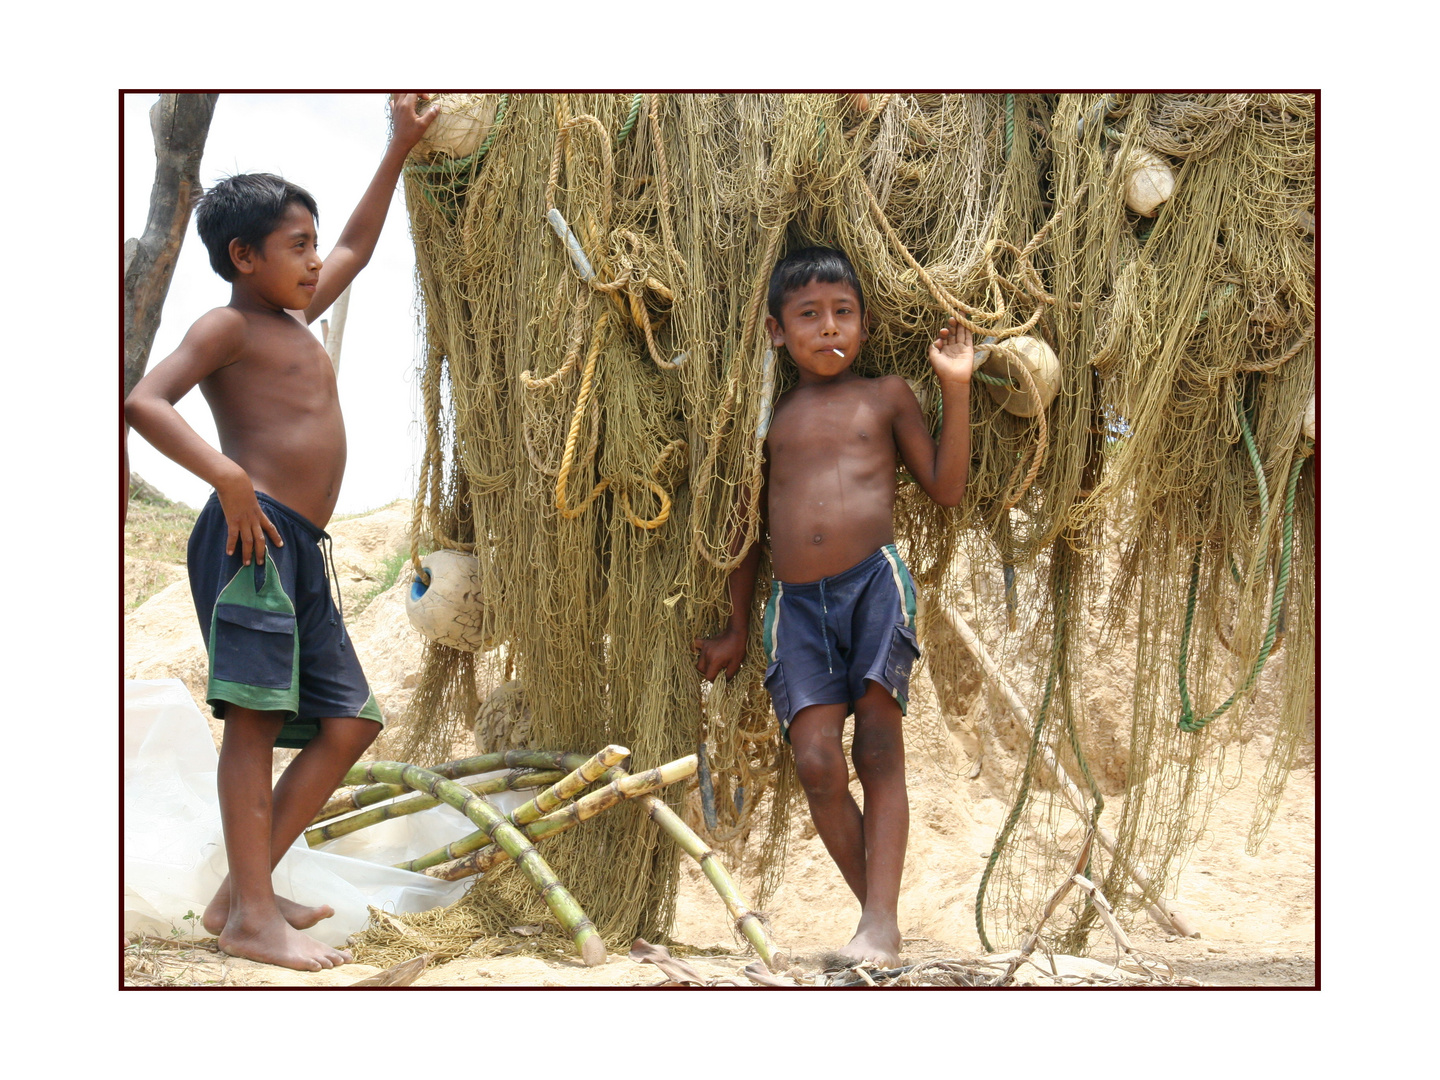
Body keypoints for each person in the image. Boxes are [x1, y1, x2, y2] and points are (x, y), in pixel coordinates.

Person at [125, 94, 438, 970]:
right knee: (255, 727)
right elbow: (144, 401)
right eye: (295, 246)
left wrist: (399, 145)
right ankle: (255, 918)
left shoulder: (295, 316)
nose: (313, 261)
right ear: (243, 256)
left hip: (299, 546)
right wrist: (226, 477)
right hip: (250, 541)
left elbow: (358, 247)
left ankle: (240, 895)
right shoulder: (227, 326)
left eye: (310, 244)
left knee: (349, 722)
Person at [693, 247, 973, 967]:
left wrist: (958, 388)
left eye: (842, 313)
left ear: (866, 324)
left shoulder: (887, 396)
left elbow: (945, 487)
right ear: (776, 332)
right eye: (809, 316)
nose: (828, 329)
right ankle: (879, 924)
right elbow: (743, 528)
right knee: (816, 761)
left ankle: (878, 925)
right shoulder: (767, 418)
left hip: (873, 586)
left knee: (878, 748)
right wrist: (733, 623)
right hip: (795, 605)